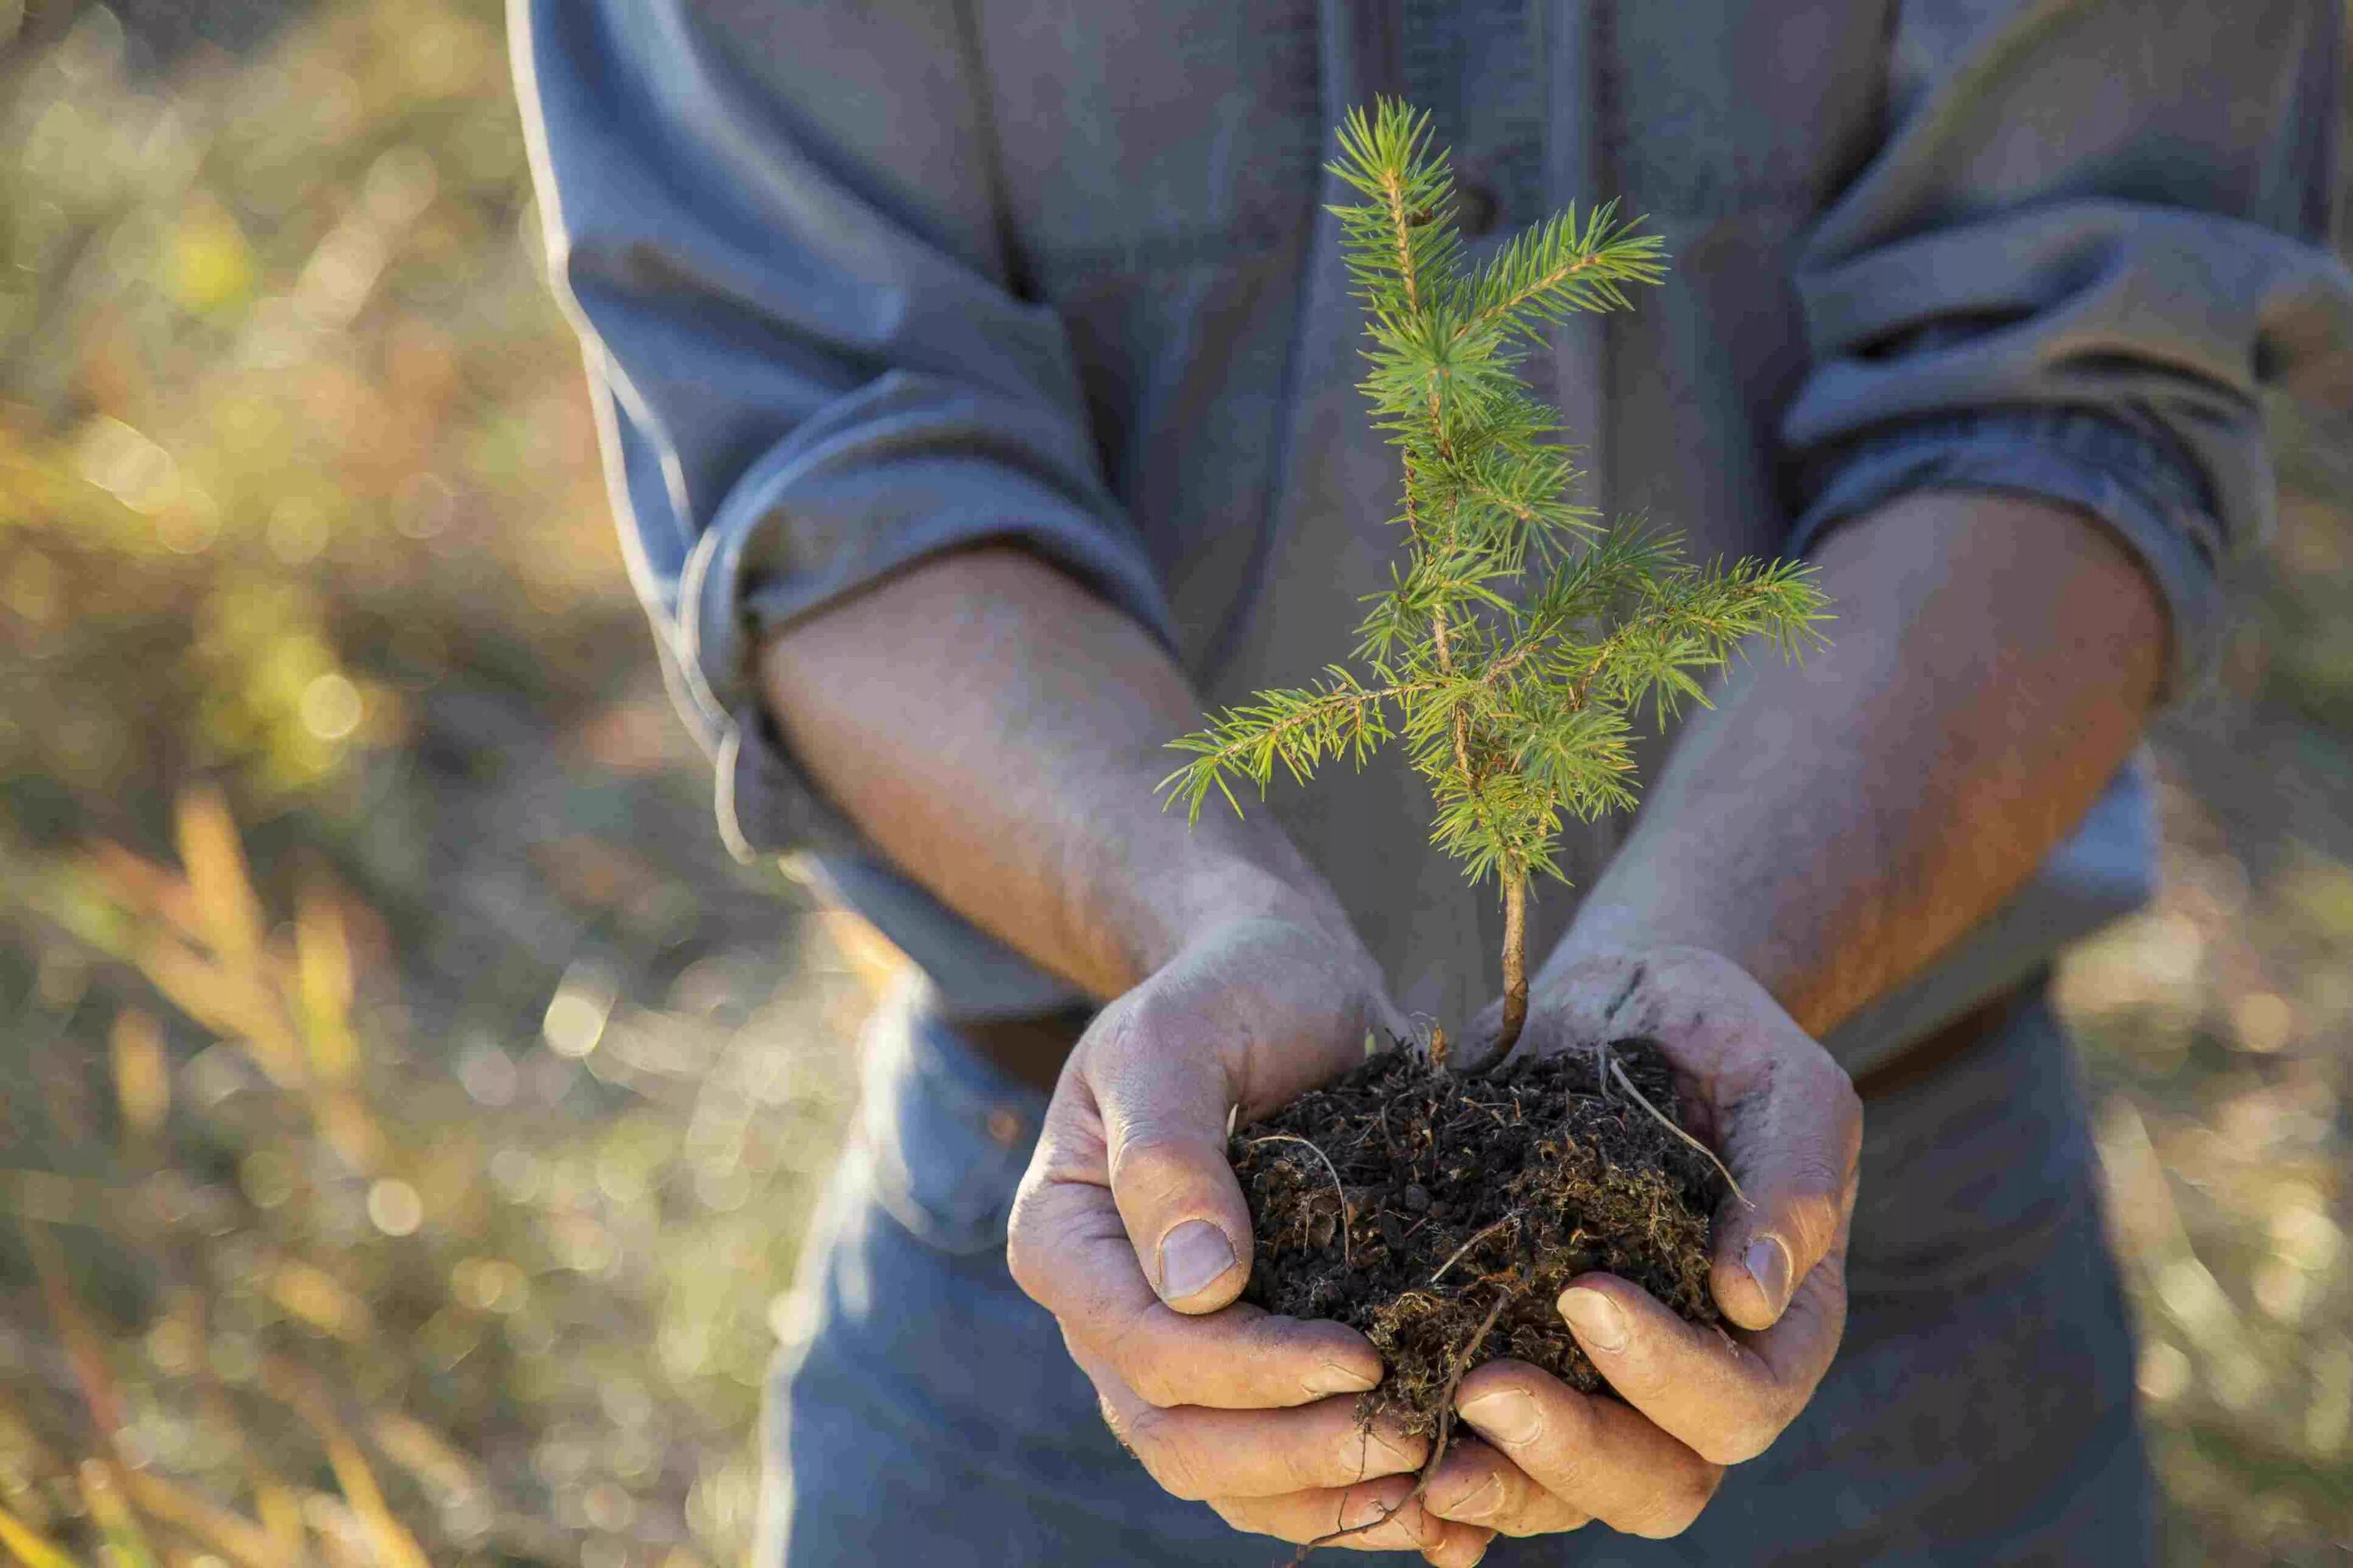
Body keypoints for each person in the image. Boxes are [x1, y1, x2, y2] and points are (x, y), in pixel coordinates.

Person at [510, 2, 2353, 1562]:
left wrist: (1707, 961)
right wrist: (1200, 915)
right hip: (1083, 1255)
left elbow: (2075, 384)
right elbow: (825, 458)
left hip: (1875, 1254)